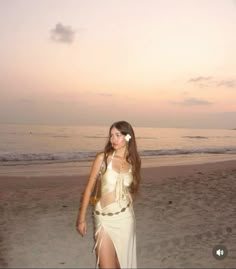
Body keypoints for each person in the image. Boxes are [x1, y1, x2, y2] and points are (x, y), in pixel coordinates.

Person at [76, 120, 141, 268]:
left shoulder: (134, 161)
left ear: (128, 137)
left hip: (125, 219)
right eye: (111, 135)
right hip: (103, 220)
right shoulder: (103, 158)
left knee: (121, 264)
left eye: (118, 135)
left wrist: (129, 193)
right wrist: (81, 219)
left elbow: (132, 184)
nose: (113, 139)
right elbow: (88, 189)